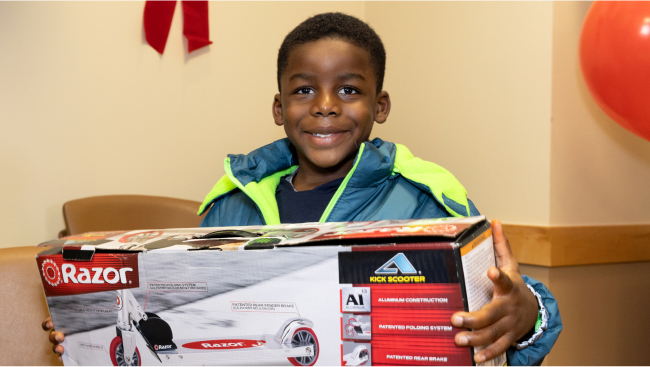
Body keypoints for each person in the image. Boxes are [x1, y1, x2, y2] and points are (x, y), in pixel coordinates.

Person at [44, 12, 561, 365]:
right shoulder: (230, 204)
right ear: (279, 108)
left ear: (380, 106)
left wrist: (524, 313)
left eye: (350, 90)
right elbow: (174, 312)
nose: (326, 105)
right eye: (305, 89)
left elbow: (506, 299)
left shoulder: (425, 197)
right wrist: (90, 338)